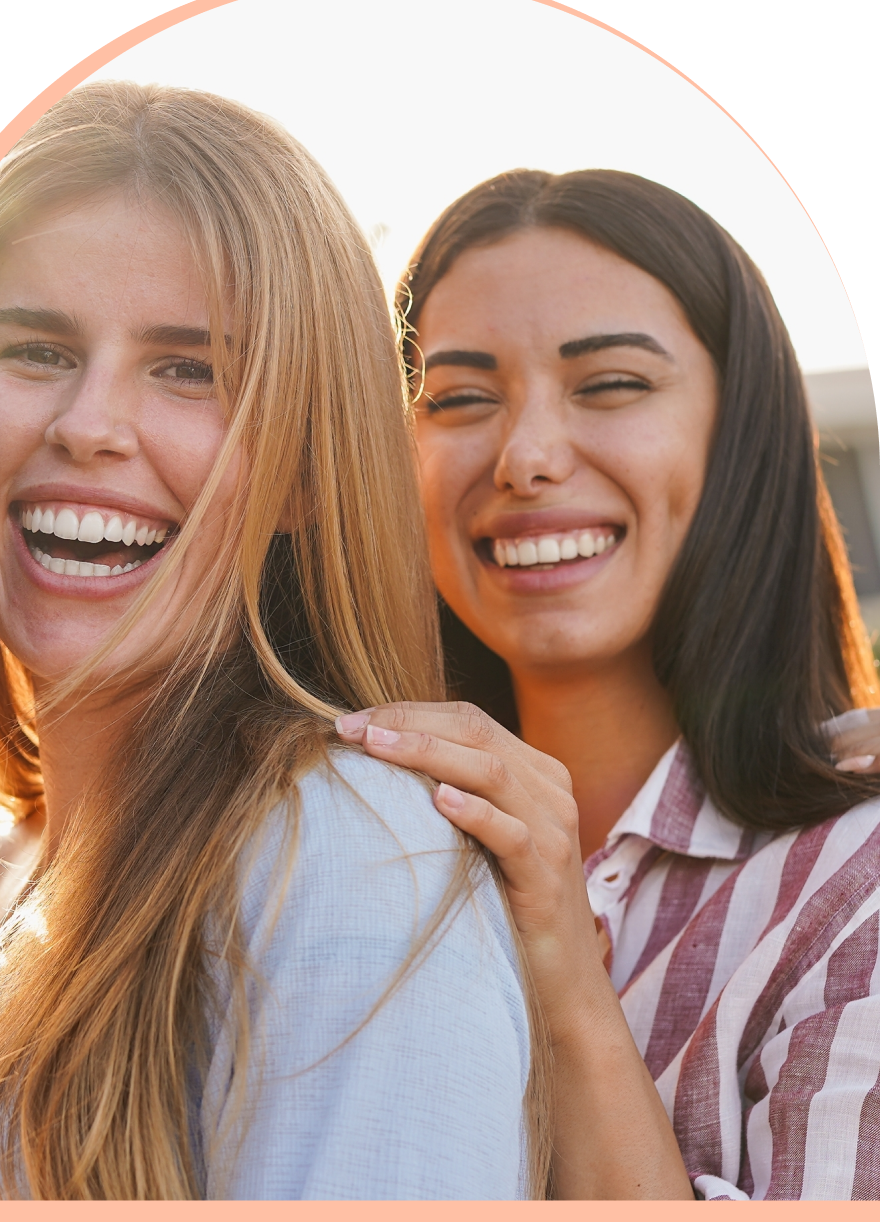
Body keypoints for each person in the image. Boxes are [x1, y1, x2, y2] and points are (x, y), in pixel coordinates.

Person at [0, 87, 549, 1201]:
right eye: (36, 349)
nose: (87, 425)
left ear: (303, 474)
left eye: (190, 369)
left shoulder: (347, 855)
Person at [337, 169, 880, 1200]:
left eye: (612, 384)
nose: (527, 457)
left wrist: (566, 988)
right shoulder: (337, 850)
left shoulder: (855, 882)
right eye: (457, 399)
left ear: (739, 434)